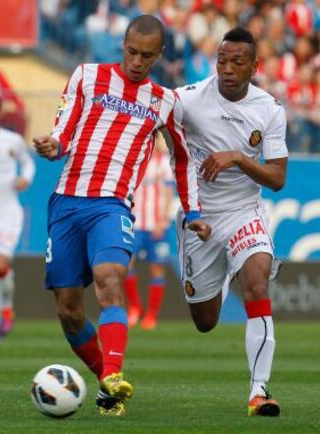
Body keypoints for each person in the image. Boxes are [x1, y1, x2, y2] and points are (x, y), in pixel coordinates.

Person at [33, 15, 211, 417]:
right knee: (68, 310)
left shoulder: (165, 102)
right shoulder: (87, 76)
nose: (137, 61)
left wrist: (193, 209)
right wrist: (52, 145)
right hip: (66, 201)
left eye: (147, 56)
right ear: (123, 45)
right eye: (131, 52)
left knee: (110, 278)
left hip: (111, 206)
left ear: (159, 55)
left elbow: (183, 162)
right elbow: (64, 130)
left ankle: (114, 373)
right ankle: (106, 386)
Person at [175, 27, 288, 417]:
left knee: (257, 280)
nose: (227, 68)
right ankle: (222, 273)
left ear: (254, 66)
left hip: (244, 211)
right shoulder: (188, 100)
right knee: (205, 320)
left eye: (237, 62)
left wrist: (238, 157)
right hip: (200, 219)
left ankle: (259, 391)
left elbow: (276, 178)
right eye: (222, 60)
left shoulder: (270, 109)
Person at [0, 92, 35, 339]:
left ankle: (7, 308)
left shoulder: (12, 141)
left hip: (6, 212)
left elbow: (28, 163)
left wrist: (26, 177)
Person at [125, 133, 174, 330]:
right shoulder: (134, 160)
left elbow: (170, 192)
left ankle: (152, 315)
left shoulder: (164, 162)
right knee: (126, 264)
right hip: (135, 223)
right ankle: (135, 308)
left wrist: (163, 220)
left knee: (157, 267)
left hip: (156, 224)